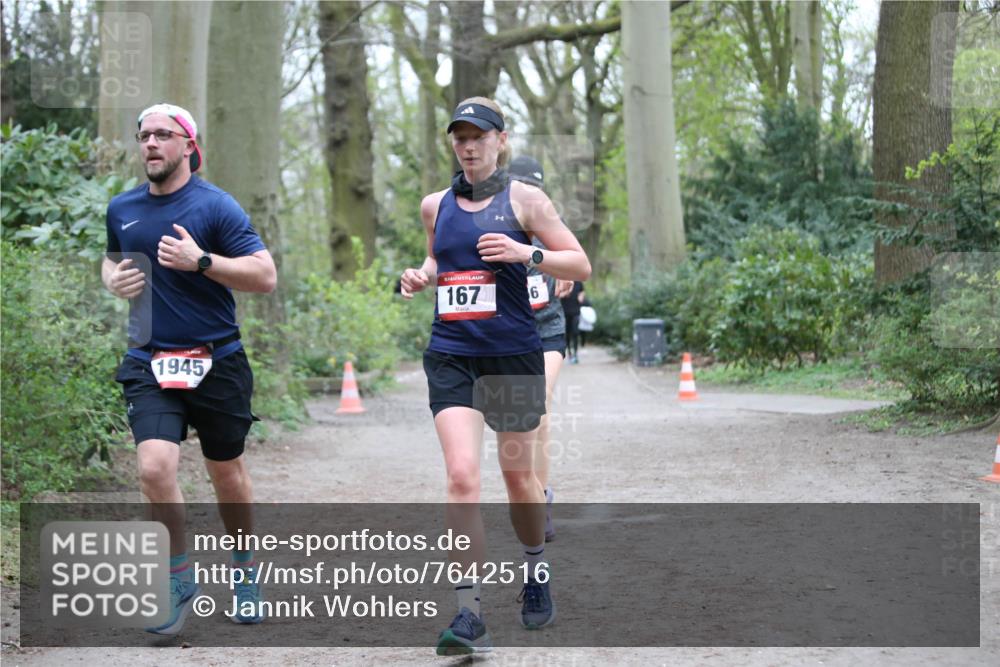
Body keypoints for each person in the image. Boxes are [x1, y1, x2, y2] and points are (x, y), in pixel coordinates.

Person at [400, 97, 591, 655]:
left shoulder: (526, 199)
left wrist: (525, 253)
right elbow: (440, 261)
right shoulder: (435, 205)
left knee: (517, 480)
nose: (469, 145)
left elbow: (576, 263)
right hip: (453, 352)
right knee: (462, 476)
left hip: (511, 352)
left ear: (500, 140)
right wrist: (421, 274)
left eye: (479, 136)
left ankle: (535, 572)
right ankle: (469, 615)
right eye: (460, 136)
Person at [102, 103, 277, 635]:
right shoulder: (122, 207)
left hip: (216, 361)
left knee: (227, 475)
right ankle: (179, 579)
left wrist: (203, 261)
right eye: (144, 135)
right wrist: (111, 278)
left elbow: (264, 275)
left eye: (163, 135)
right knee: (155, 468)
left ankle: (245, 574)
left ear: (188, 145)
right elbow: (112, 257)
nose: (151, 143)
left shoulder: (216, 207)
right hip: (148, 362)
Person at [508, 155, 572, 543]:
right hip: (509, 335)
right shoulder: (493, 230)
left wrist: (566, 277)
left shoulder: (548, 226)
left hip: (547, 332)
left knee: (539, 404)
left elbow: (576, 260)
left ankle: (540, 500)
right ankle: (524, 489)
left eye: (533, 188)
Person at [561, 281, 586, 364]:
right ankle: (570, 354)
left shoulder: (578, 282)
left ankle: (575, 354)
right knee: (567, 334)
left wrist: (581, 296)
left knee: (575, 332)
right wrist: (564, 294)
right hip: (565, 312)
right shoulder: (563, 280)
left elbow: (582, 291)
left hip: (576, 312)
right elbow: (557, 294)